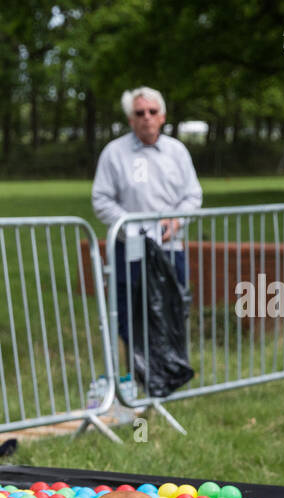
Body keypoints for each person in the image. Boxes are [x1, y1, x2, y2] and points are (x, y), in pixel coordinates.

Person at [91, 86, 202, 369]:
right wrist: (130, 227)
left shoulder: (177, 152)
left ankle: (170, 372)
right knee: (130, 313)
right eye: (140, 113)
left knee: (171, 309)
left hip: (169, 247)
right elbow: (101, 199)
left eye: (152, 112)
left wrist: (177, 220)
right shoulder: (114, 153)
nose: (147, 118)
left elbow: (193, 195)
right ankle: (139, 373)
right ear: (131, 119)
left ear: (162, 116)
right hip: (129, 249)